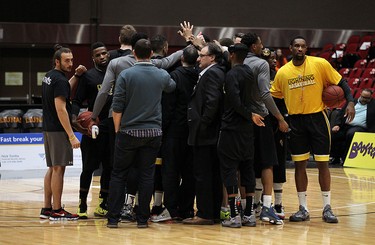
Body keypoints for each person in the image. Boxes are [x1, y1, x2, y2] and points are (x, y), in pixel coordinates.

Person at [271, 36, 355, 223]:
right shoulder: (282, 72)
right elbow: (275, 99)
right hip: (295, 121)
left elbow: (342, 84)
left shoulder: (320, 64)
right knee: (300, 164)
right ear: (290, 48)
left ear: (307, 48)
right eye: (296, 46)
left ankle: (327, 207)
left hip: (317, 118)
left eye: (303, 46)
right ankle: (303, 208)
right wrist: (280, 119)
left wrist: (349, 102)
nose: (300, 49)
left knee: (323, 163)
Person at [106, 39, 176, 229]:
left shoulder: (126, 75)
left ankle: (113, 219)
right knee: (147, 175)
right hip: (153, 132)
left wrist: (118, 130)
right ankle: (143, 220)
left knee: (119, 174)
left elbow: (117, 105)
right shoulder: (160, 74)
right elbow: (172, 86)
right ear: (151, 54)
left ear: (134, 54)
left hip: (128, 131)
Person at [241, 33, 288, 225]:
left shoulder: (234, 61)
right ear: (253, 46)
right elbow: (265, 94)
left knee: (243, 164)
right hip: (260, 118)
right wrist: (279, 118)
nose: (262, 46)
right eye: (260, 43)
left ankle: (245, 208)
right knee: (267, 163)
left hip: (240, 118)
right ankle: (268, 207)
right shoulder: (260, 65)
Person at [218, 43, 265, 228]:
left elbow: (236, 102)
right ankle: (249, 214)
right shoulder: (249, 73)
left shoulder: (231, 75)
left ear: (231, 55)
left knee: (229, 170)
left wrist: (248, 114)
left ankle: (234, 216)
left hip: (231, 129)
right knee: (247, 169)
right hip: (247, 130)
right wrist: (251, 115)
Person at [151, 45, 199, 222]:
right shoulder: (201, 75)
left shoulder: (174, 76)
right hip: (193, 131)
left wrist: (163, 129)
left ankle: (171, 209)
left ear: (181, 59)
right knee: (189, 172)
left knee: (170, 172)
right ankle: (187, 209)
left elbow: (168, 107)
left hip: (174, 131)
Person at [183, 42, 225, 225]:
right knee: (212, 174)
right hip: (208, 133)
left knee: (203, 174)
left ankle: (205, 214)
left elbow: (212, 102)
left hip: (206, 134)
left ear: (212, 58)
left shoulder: (213, 73)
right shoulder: (212, 72)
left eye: (202, 55)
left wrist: (202, 124)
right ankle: (212, 212)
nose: (198, 58)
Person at [39, 45, 84, 221]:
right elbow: (61, 109)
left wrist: (76, 76)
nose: (70, 63)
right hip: (58, 130)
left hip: (48, 128)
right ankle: (57, 209)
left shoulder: (50, 76)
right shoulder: (59, 80)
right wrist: (71, 135)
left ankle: (47, 208)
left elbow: (63, 88)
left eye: (72, 59)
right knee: (59, 169)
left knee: (52, 168)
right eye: (67, 60)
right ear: (57, 61)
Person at [71, 42, 112, 219]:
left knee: (109, 168)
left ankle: (103, 204)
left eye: (104, 53)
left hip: (111, 129)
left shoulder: (117, 73)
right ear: (92, 58)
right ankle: (82, 203)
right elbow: (77, 101)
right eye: (98, 55)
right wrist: (74, 119)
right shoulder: (88, 76)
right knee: (88, 169)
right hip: (91, 129)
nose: (102, 57)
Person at [259, 47, 288, 219]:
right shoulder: (257, 75)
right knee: (259, 163)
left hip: (279, 124)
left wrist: (283, 120)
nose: (270, 61)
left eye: (272, 59)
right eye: (266, 59)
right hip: (261, 123)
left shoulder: (280, 77)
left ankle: (277, 202)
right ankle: (256, 202)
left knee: (279, 164)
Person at [331, 88, 375, 164]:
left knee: (351, 133)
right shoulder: (352, 102)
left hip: (360, 128)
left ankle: (345, 158)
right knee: (335, 134)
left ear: (371, 97)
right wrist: (337, 125)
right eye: (363, 97)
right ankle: (335, 157)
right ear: (360, 94)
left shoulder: (373, 105)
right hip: (345, 125)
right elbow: (340, 114)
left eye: (367, 98)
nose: (364, 99)